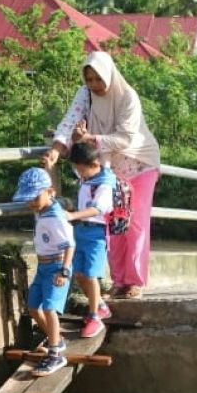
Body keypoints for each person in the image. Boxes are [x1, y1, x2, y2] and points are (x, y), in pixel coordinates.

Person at [42, 51, 160, 300]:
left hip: (139, 163)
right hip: (108, 168)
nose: (94, 84)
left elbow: (126, 138)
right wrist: (56, 150)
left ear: (109, 75)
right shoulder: (85, 94)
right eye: (89, 79)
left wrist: (90, 139)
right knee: (113, 224)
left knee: (135, 224)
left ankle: (135, 281)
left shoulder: (128, 96)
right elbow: (68, 122)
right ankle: (119, 281)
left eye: (98, 79)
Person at [13, 167, 75, 377]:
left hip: (57, 267)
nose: (31, 203)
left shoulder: (55, 217)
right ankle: (55, 338)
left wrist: (64, 271)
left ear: (50, 192)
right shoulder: (41, 210)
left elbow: (70, 245)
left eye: (35, 197)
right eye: (28, 199)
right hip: (43, 266)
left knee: (50, 308)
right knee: (32, 307)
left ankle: (56, 354)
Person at [64, 141, 114, 339]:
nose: (78, 172)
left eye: (79, 168)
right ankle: (100, 306)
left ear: (91, 164)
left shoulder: (104, 183)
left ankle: (94, 317)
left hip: (96, 233)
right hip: (81, 231)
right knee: (79, 273)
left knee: (91, 275)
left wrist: (72, 216)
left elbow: (98, 209)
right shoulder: (86, 175)